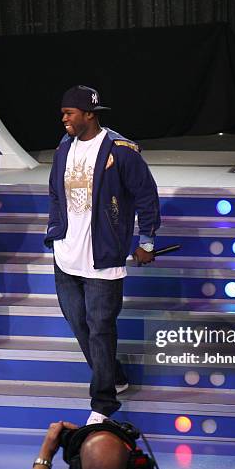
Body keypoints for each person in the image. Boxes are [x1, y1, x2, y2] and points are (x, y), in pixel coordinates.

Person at [45, 85, 161, 425]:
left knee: (100, 328)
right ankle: (116, 376)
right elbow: (55, 193)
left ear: (90, 115)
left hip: (103, 257)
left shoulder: (121, 151)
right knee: (79, 323)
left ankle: (103, 403)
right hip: (66, 255)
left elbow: (146, 196)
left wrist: (148, 241)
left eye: (70, 113)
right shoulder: (63, 148)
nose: (64, 118)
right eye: (63, 112)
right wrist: (54, 233)